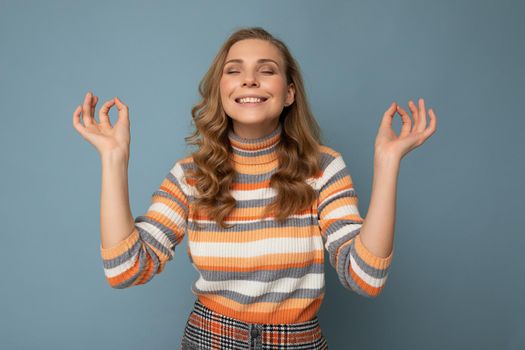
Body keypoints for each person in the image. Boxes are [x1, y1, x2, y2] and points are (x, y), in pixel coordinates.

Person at [72, 26, 437, 350]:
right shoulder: (191, 175)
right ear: (222, 90)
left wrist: (387, 164)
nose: (250, 80)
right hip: (210, 339)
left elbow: (365, 277)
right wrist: (113, 158)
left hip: (299, 342)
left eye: (267, 70)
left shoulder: (324, 168)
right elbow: (125, 269)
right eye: (235, 70)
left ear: (289, 93)